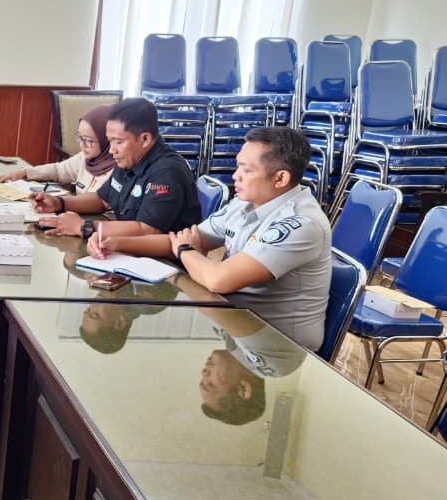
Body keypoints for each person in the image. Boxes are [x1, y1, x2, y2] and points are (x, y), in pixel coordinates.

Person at [85, 127, 331, 351]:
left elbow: (217, 279)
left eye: (247, 170)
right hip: (234, 320)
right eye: (237, 167)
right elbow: (182, 241)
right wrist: (114, 242)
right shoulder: (246, 202)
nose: (235, 176)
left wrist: (185, 249)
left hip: (275, 345)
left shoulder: (300, 224)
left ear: (280, 179)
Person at [32, 97, 200, 240]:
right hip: (128, 249)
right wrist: (60, 204)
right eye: (109, 140)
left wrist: (85, 227)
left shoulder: (167, 172)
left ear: (145, 139)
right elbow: (102, 199)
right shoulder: (129, 158)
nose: (112, 150)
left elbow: (147, 230)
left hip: (165, 265)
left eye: (118, 141)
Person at [197, 307, 305, 426]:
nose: (203, 373)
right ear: (243, 388)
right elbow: (211, 300)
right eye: (211, 384)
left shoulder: (224, 334)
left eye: (202, 381)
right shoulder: (277, 365)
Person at [0, 104, 115, 204]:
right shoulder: (85, 157)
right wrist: (25, 172)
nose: (82, 145)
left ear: (107, 140)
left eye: (89, 140)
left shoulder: (119, 169)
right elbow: (58, 170)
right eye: (79, 137)